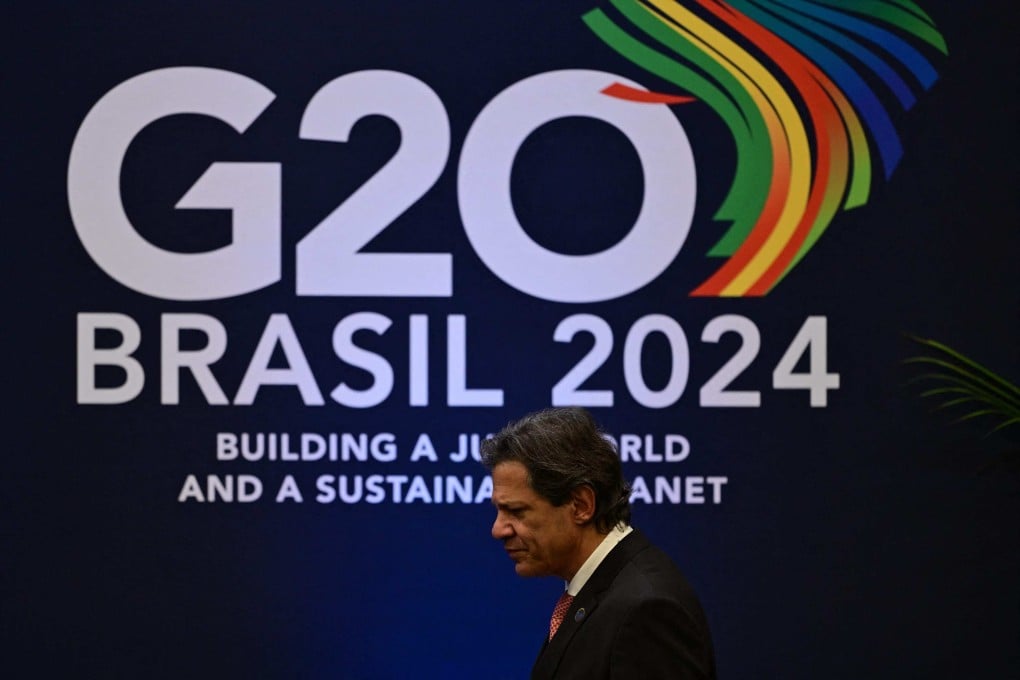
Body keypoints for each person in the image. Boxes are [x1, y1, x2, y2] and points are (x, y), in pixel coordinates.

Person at [483, 407, 716, 680]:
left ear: (581, 505)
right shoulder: (598, 591)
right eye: (499, 511)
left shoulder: (645, 610)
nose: (497, 530)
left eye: (517, 511)